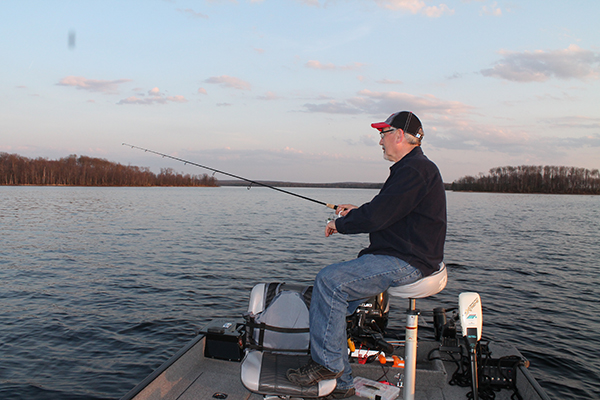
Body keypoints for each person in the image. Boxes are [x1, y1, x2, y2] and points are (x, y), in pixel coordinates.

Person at [286, 111, 447, 398]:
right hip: (401, 253)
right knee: (326, 296)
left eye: (383, 134)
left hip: (408, 261)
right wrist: (357, 212)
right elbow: (387, 212)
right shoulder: (411, 168)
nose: (380, 141)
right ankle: (342, 383)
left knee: (330, 281)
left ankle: (326, 366)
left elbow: (379, 216)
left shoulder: (415, 170)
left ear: (400, 135)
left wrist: (340, 223)